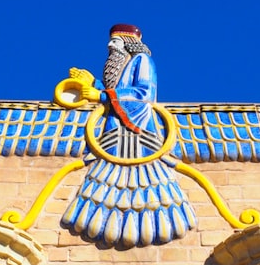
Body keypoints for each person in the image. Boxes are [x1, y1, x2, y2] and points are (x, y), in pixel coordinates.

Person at [61, 24, 196, 249]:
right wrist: (91, 84)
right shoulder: (122, 64)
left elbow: (143, 94)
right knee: (103, 182)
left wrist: (100, 95)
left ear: (127, 42)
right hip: (114, 134)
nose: (109, 45)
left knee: (142, 184)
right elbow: (113, 93)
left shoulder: (141, 60)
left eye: (115, 41)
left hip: (138, 133)